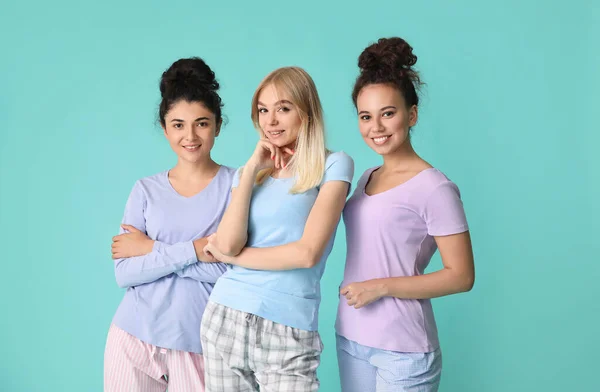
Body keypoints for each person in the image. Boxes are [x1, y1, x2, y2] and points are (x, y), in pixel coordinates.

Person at [200, 66, 354, 392]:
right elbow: (228, 242)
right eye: (263, 110)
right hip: (226, 316)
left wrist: (235, 257)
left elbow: (307, 253)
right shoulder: (249, 174)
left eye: (283, 108)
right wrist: (253, 167)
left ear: (306, 112)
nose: (270, 121)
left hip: (289, 327)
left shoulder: (333, 165)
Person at [336, 37, 475, 392]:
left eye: (388, 113)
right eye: (366, 116)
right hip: (351, 335)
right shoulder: (367, 177)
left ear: (411, 114)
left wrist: (381, 287)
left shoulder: (435, 188)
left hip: (403, 349)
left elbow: (461, 276)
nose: (376, 127)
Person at [104, 57, 235, 391]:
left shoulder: (238, 187)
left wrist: (152, 251)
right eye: (178, 125)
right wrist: (195, 249)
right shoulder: (145, 189)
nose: (190, 135)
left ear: (218, 125)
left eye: (201, 123)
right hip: (132, 336)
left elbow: (232, 274)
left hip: (200, 345)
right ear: (164, 128)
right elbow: (125, 273)